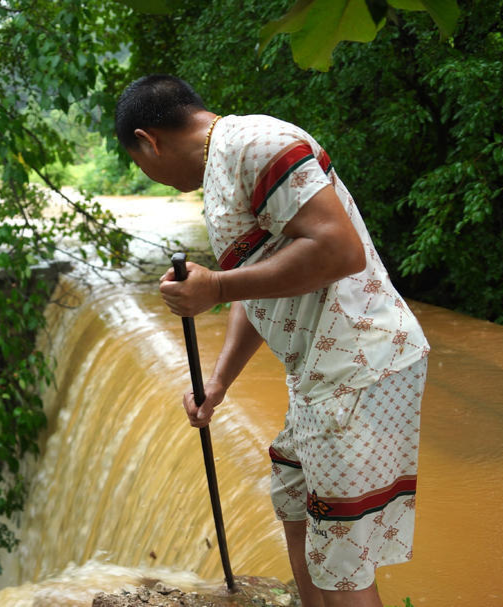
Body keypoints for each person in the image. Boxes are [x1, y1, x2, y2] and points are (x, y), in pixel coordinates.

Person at [115, 74, 430, 607]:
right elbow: (261, 288)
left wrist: (214, 285)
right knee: (295, 508)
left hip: (361, 367)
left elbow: (339, 250)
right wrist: (218, 383)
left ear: (149, 140)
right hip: (320, 375)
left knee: (342, 561)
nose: (151, 176)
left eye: (139, 163)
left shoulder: (257, 144)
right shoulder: (223, 168)